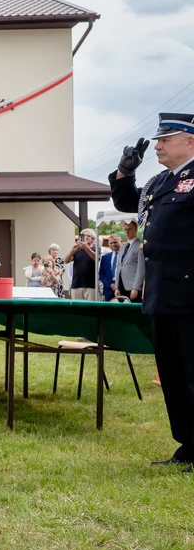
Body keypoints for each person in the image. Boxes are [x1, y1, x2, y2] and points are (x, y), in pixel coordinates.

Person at [109, 113, 194, 471]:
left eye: (166, 139)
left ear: (190, 140)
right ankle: (188, 445)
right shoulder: (161, 181)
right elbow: (128, 202)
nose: (157, 145)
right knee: (173, 372)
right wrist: (124, 172)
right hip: (162, 293)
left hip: (191, 294)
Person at [114, 220, 144, 302]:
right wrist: (117, 287)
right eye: (125, 229)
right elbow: (119, 267)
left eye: (129, 229)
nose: (127, 232)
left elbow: (141, 269)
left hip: (133, 287)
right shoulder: (123, 247)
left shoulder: (140, 246)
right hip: (122, 286)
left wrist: (136, 288)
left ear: (136, 230)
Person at [63, 229, 98, 301]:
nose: (86, 237)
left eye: (88, 236)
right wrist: (72, 250)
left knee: (90, 308)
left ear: (93, 239)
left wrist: (86, 248)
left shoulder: (96, 249)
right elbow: (66, 261)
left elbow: (97, 258)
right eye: (83, 236)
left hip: (91, 285)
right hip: (76, 284)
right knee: (77, 309)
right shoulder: (77, 250)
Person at [99, 235, 122, 301]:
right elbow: (101, 273)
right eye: (111, 243)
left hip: (122, 289)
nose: (113, 244)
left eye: (115, 242)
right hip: (108, 290)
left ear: (120, 242)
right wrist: (109, 284)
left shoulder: (125, 256)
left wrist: (118, 285)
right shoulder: (105, 257)